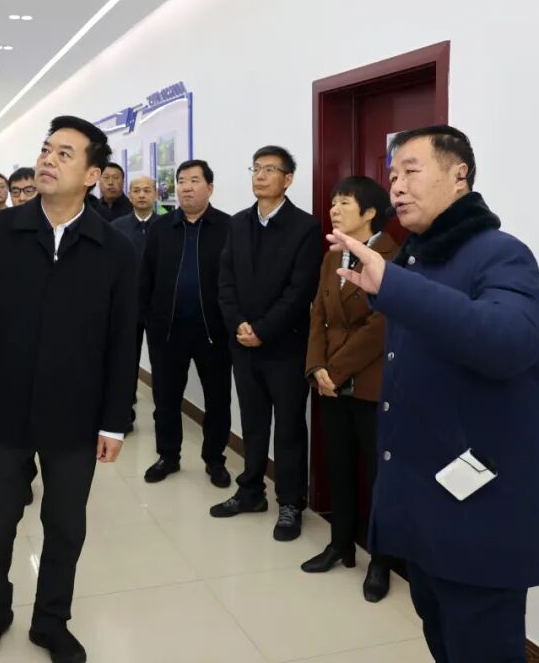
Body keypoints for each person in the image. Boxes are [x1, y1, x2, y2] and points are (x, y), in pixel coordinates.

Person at [328, 126, 539, 663]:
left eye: (411, 170)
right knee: (442, 643)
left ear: (459, 176)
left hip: (479, 518)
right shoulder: (417, 258)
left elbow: (508, 342)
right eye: (392, 175)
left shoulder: (502, 254)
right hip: (424, 512)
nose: (397, 186)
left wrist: (393, 286)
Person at [0, 116, 137, 663]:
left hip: (75, 419)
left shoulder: (113, 249)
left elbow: (122, 342)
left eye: (64, 153)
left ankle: (51, 621)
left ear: (92, 175)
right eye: (45, 150)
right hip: (3, 413)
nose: (48, 160)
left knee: (65, 529)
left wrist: (114, 422)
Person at [214, 145, 321, 542]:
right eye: (256, 168)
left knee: (289, 427)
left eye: (270, 169)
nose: (260, 175)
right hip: (243, 344)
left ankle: (290, 502)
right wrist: (239, 325)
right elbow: (225, 281)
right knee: (253, 422)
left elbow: (299, 291)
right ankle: (250, 491)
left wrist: (263, 329)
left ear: (287, 179)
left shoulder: (305, 227)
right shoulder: (238, 223)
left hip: (285, 347)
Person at [301, 176, 398, 603]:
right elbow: (318, 315)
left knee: (378, 476)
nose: (334, 210)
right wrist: (316, 367)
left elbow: (380, 328)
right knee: (337, 467)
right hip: (330, 383)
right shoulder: (331, 257)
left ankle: (381, 560)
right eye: (333, 202)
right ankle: (340, 544)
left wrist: (335, 370)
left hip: (371, 384)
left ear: (370, 212)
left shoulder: (393, 255)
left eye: (344, 203)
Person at [137, 161, 232, 487]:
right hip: (167, 331)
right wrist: (149, 318)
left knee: (217, 400)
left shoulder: (228, 227)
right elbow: (146, 276)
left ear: (210, 188)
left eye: (194, 180)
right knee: (165, 400)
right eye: (181, 181)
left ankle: (215, 460)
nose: (186, 187)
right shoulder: (161, 227)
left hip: (214, 332)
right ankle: (168, 456)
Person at [111, 176, 158, 431]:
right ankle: (124, 413)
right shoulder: (117, 227)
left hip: (158, 307)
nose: (141, 195)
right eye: (136, 190)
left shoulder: (166, 226)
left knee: (161, 363)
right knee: (126, 361)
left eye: (146, 190)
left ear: (155, 195)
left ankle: (162, 414)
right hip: (127, 305)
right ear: (129, 195)